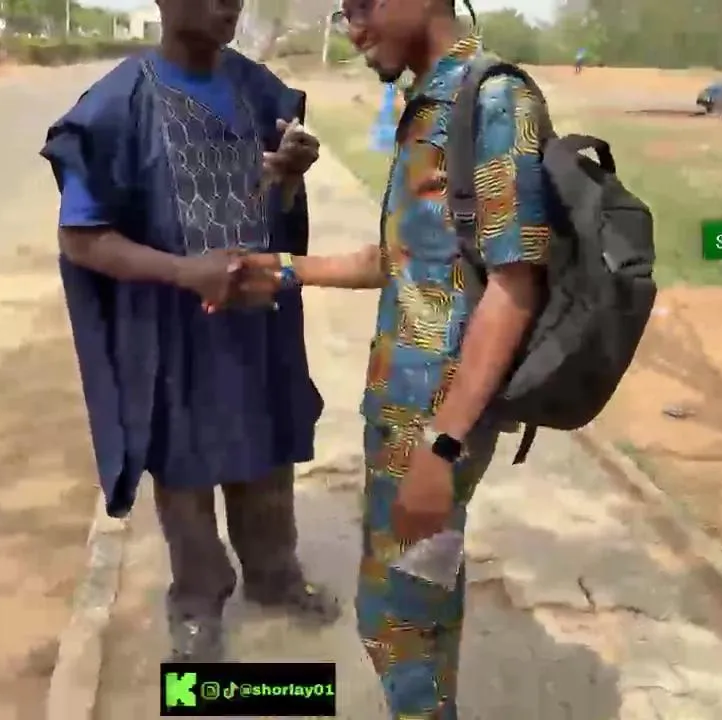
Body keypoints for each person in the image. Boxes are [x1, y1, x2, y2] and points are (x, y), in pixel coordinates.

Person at [237, 0, 552, 716]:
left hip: (438, 424)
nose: (352, 27)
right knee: (410, 605)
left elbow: (515, 285)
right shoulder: (430, 101)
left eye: (364, 5)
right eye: (343, 9)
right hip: (403, 413)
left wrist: (443, 448)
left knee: (402, 623)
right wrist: (286, 269)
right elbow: (405, 258)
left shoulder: (494, 99)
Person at [39, 0, 340, 662]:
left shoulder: (259, 91)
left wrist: (290, 178)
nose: (226, 2)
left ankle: (274, 575)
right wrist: (183, 271)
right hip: (170, 333)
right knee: (183, 472)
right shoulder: (116, 107)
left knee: (269, 453)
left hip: (258, 322)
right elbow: (81, 238)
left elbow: (274, 205)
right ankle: (199, 600)